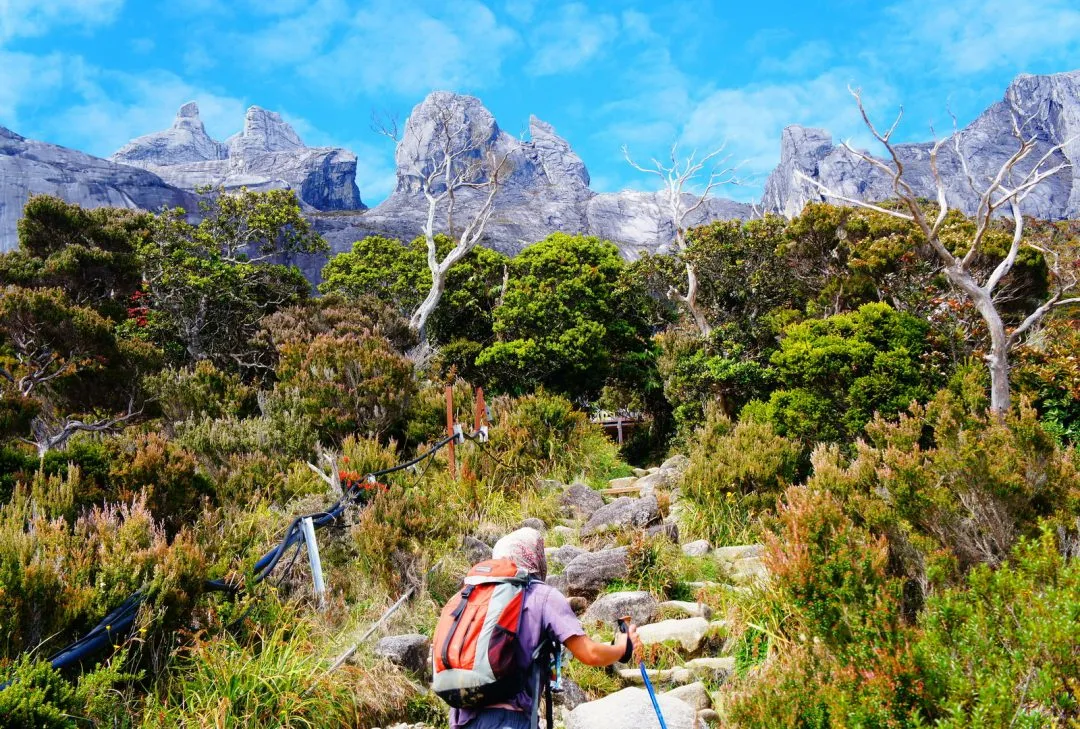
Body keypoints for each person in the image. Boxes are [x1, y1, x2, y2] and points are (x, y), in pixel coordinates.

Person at [451, 527, 642, 729]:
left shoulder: (467, 596)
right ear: (536, 556)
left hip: (462, 718)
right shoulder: (542, 595)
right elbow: (589, 653)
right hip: (508, 720)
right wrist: (623, 648)